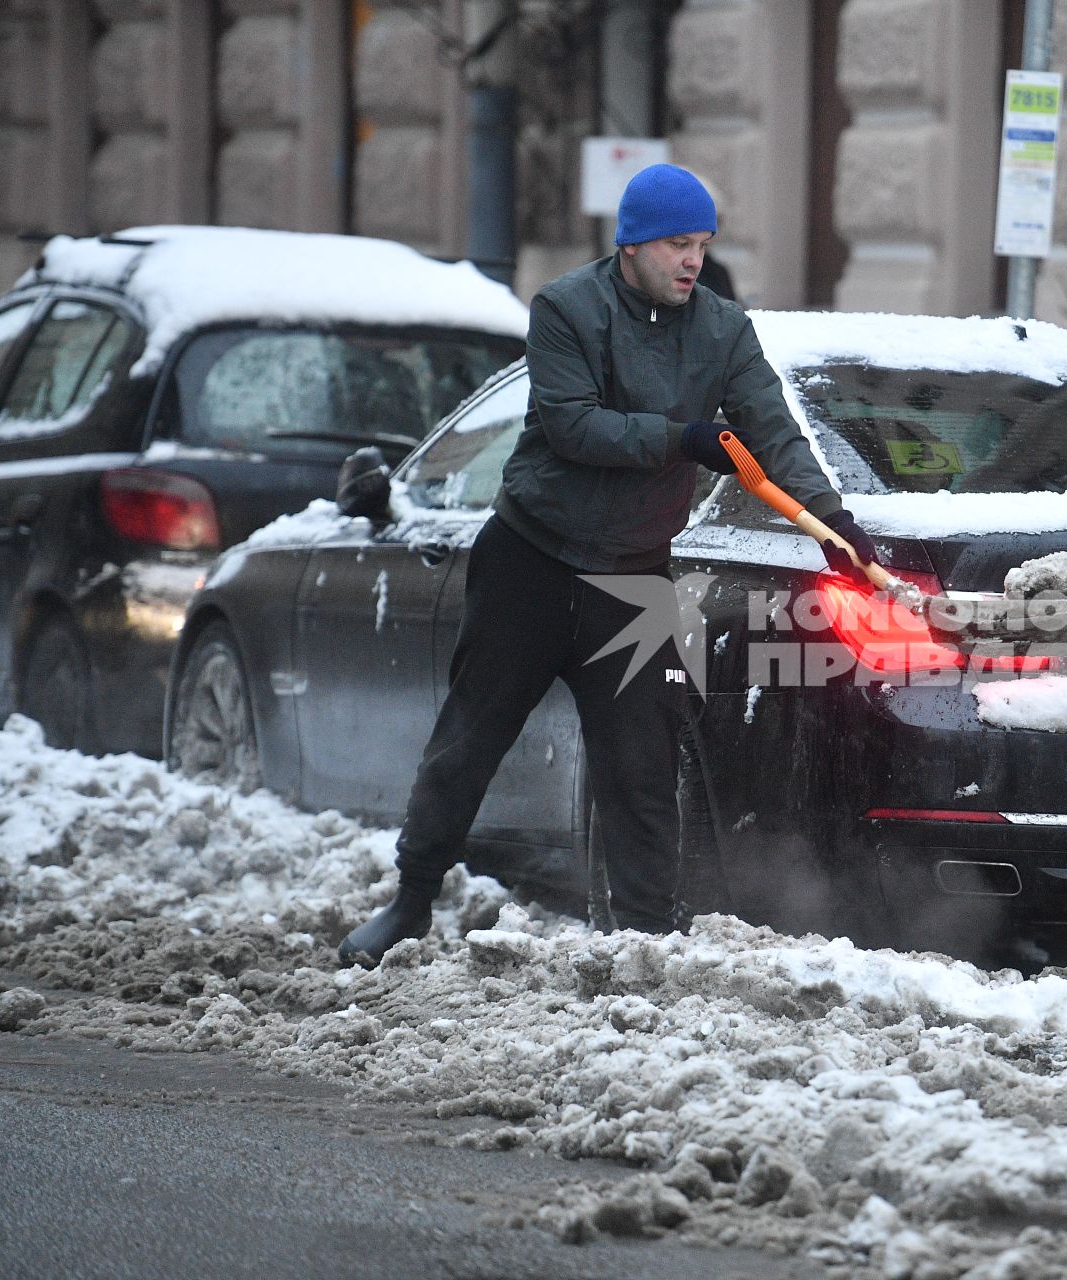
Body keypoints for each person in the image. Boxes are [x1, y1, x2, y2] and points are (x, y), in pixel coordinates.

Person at [339, 164, 880, 964]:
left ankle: (642, 942)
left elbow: (772, 430)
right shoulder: (566, 309)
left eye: (701, 245)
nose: (692, 262)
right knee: (471, 740)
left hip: (632, 578)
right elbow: (572, 426)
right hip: (530, 560)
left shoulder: (723, 330)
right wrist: (680, 439)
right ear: (632, 245)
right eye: (675, 245)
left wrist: (834, 521)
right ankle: (411, 899)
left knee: (642, 767)